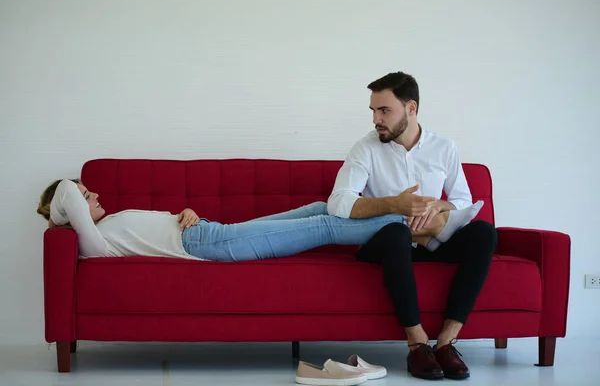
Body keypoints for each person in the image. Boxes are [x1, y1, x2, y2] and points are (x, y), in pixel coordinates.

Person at [327, 72, 498, 380]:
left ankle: (446, 343)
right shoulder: (365, 148)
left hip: (429, 243)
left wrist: (439, 205)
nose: (376, 120)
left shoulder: (444, 147)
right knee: (396, 231)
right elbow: (338, 203)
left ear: (411, 109)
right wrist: (394, 205)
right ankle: (418, 344)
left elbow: (464, 200)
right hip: (385, 244)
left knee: (484, 233)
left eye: (384, 111)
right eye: (373, 111)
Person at [36, 176, 482, 262]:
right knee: (324, 227)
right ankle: (420, 228)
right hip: (207, 247)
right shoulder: (88, 240)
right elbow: (64, 196)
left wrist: (184, 213)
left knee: (315, 209)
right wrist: (64, 191)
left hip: (206, 230)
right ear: (67, 212)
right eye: (84, 194)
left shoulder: (108, 222)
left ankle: (428, 232)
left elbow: (161, 224)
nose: (92, 195)